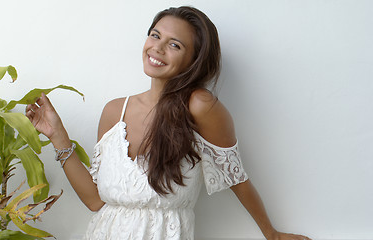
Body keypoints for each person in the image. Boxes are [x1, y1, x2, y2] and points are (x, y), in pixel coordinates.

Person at [25, 6, 311, 240]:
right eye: (155, 35)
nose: (157, 48)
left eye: (174, 45)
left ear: (194, 60)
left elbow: (237, 178)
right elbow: (96, 202)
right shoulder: (115, 110)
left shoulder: (200, 106)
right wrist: (57, 135)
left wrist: (271, 234)